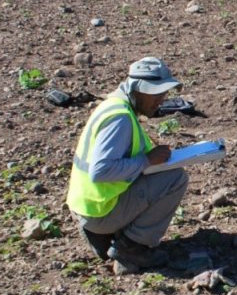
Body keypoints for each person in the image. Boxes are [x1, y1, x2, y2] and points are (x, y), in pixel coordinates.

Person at [66, 56, 190, 271]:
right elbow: (101, 170)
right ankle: (131, 250)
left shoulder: (113, 105)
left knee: (153, 174)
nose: (161, 99)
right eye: (155, 93)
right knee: (175, 178)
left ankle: (103, 236)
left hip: (90, 208)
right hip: (101, 210)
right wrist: (147, 160)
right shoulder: (120, 118)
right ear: (137, 89)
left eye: (163, 92)